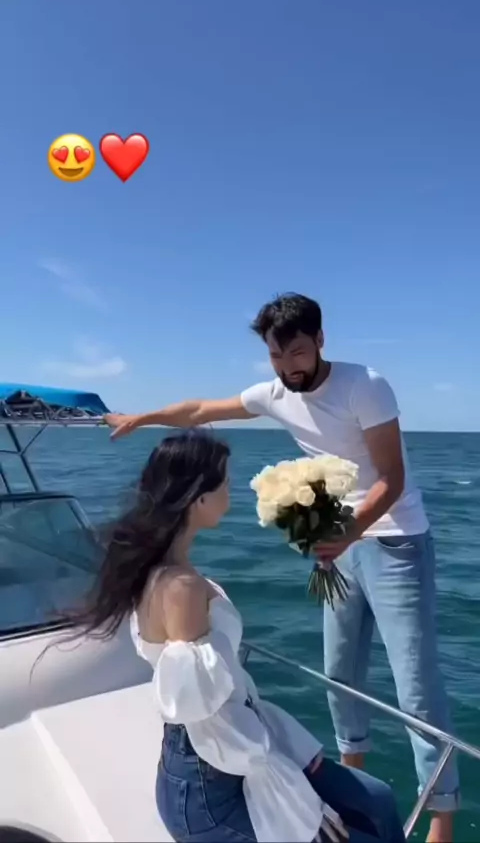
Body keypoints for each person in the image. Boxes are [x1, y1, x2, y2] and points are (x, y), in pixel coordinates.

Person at [105, 293, 459, 843]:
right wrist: (141, 418)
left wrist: (347, 531)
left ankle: (441, 819)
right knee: (339, 673)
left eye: (296, 353)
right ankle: (351, 778)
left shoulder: (365, 385)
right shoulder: (274, 394)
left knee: (415, 686)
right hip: (340, 542)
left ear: (319, 341)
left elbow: (392, 478)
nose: (287, 367)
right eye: (276, 356)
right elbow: (199, 411)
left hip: (395, 542)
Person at [71, 430, 406, 843]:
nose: (232, 492)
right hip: (210, 789)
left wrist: (292, 748)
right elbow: (207, 718)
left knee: (378, 798)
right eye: (226, 483)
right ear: (199, 498)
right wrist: (300, 800)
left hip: (227, 754)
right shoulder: (180, 588)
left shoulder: (168, 568)